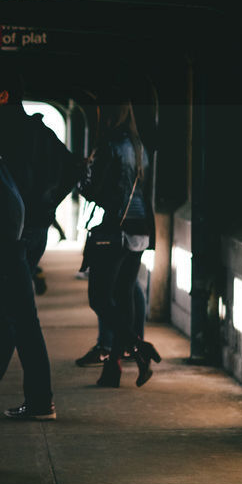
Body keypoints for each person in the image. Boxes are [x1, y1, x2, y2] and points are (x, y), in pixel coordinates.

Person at [0, 66, 79, 421]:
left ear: (3, 96)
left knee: (22, 318)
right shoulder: (39, 128)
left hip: (9, 239)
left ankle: (40, 401)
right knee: (10, 313)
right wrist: (44, 209)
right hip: (33, 234)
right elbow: (72, 169)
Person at [78, 96, 160, 387]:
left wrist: (81, 175)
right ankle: (113, 368)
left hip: (114, 231)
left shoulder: (109, 146)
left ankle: (137, 347)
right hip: (139, 232)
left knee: (99, 298)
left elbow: (93, 190)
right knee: (124, 297)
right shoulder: (141, 148)